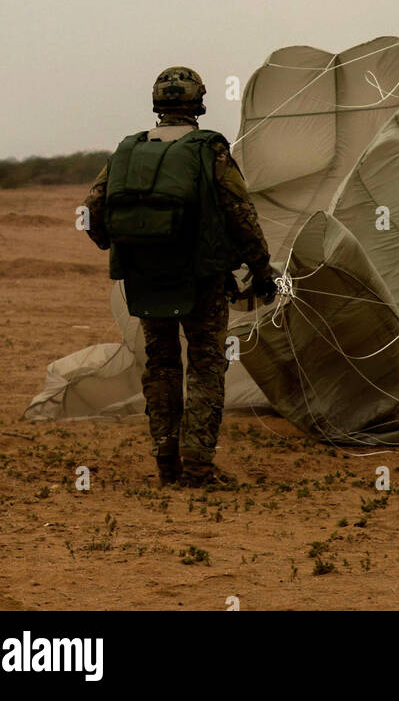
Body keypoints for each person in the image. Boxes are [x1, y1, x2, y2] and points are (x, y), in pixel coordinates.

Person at [82, 67, 277, 489]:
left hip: (145, 276)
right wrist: (262, 270)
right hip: (202, 279)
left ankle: (167, 466)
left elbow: (93, 212)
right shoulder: (210, 149)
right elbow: (241, 215)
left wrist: (121, 245)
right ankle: (197, 467)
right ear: (198, 104)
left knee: (162, 364)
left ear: (158, 104)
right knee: (205, 366)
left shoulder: (127, 150)